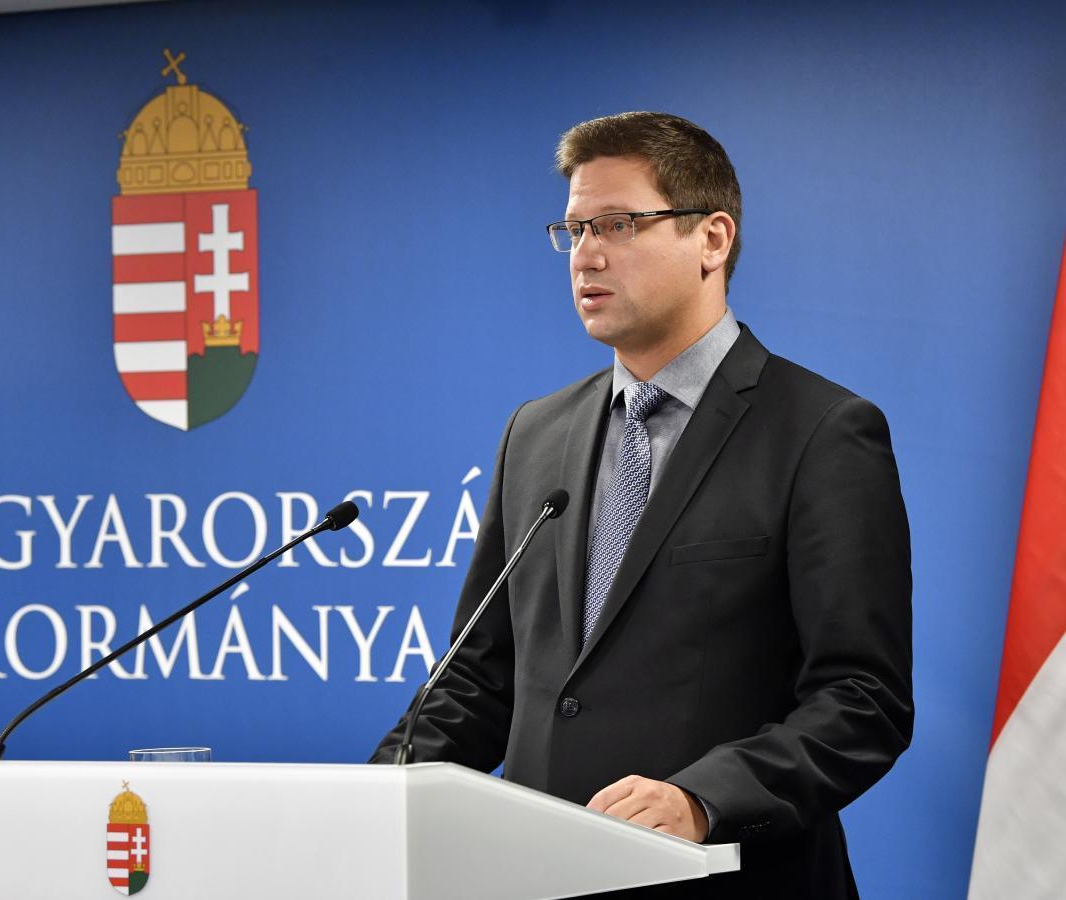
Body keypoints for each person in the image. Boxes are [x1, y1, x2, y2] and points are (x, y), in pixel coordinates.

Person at [372, 111, 913, 899]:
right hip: (541, 877)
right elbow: (480, 681)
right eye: (574, 229)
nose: (586, 255)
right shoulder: (537, 432)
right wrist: (370, 802)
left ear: (712, 240)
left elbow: (862, 700)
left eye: (619, 225)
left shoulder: (821, 432)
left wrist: (703, 800)